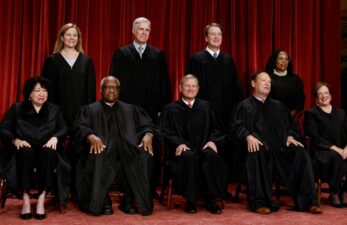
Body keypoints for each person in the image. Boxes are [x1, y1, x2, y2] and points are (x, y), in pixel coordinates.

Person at [231, 71, 321, 214]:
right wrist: (247, 136)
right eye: (263, 80)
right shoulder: (243, 106)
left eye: (269, 82)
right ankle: (260, 202)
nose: (268, 83)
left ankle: (308, 202)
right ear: (253, 83)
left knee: (300, 153)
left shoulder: (279, 106)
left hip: (280, 149)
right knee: (256, 151)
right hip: (260, 150)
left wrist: (290, 136)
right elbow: (236, 127)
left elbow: (292, 127)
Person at [72, 76, 157, 216]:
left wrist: (148, 134)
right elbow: (79, 127)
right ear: (100, 89)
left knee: (144, 155)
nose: (112, 90)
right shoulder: (89, 110)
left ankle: (129, 200)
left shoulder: (131, 109)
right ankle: (102, 201)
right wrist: (90, 135)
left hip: (128, 150)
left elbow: (147, 124)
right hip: (103, 149)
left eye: (115, 88)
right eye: (108, 87)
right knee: (96, 155)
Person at [0, 77, 69, 220]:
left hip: (46, 148)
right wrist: (15, 140)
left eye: (44, 90)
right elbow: (4, 129)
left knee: (49, 152)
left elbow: (64, 128)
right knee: (25, 152)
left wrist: (56, 137)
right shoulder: (17, 108)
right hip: (24, 148)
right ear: (29, 94)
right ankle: (25, 199)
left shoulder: (54, 109)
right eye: (37, 90)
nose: (41, 94)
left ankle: (41, 200)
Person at [186, 22, 244, 190]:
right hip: (203, 113)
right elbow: (189, 88)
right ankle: (201, 188)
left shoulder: (228, 61)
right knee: (203, 147)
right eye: (213, 34)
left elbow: (236, 88)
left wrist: (237, 112)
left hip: (225, 112)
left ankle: (220, 188)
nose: (217, 37)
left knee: (222, 148)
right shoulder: (197, 59)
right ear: (206, 37)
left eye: (219, 34)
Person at [159, 75, 228, 214]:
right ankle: (191, 200)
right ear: (180, 88)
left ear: (198, 88)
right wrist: (178, 143)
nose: (190, 88)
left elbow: (218, 128)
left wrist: (212, 140)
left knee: (211, 157)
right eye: (187, 85)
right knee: (189, 157)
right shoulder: (170, 109)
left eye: (194, 86)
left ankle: (211, 199)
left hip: (203, 146)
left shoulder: (206, 107)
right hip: (182, 149)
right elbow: (164, 131)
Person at [303, 81, 347, 208]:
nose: (324, 96)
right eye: (320, 94)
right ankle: (334, 192)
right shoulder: (311, 113)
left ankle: (345, 191)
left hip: (343, 149)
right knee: (337, 158)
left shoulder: (341, 113)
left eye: (326, 93)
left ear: (331, 96)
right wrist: (335, 148)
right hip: (322, 151)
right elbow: (314, 136)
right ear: (316, 98)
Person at [109, 17, 171, 123]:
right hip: (127, 107)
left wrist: (163, 108)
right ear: (133, 31)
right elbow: (113, 81)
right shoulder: (122, 53)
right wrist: (113, 103)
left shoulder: (157, 55)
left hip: (151, 108)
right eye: (141, 29)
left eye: (147, 30)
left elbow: (164, 84)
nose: (144, 33)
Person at [41, 23, 96, 128]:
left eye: (75, 35)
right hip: (58, 112)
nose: (72, 38)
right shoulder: (52, 60)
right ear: (62, 37)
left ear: (78, 39)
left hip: (81, 113)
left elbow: (90, 91)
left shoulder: (86, 61)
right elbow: (46, 89)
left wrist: (88, 114)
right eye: (68, 35)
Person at [265, 49, 305, 116]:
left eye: (286, 59)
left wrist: (292, 113)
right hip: (271, 116)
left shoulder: (296, 79)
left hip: (291, 117)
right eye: (280, 59)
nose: (284, 62)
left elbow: (300, 99)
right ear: (275, 60)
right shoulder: (267, 77)